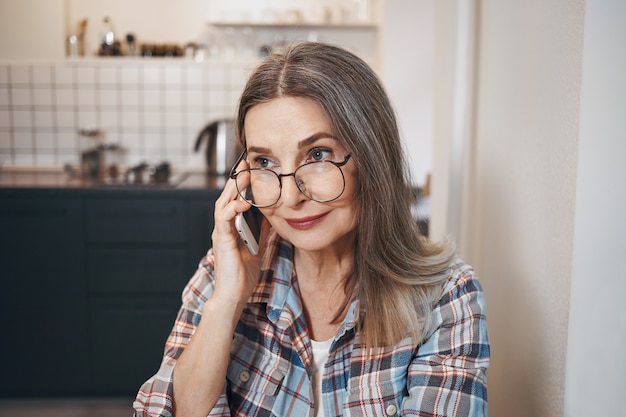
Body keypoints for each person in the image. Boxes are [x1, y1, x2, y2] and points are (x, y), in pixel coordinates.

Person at [133, 41, 490, 417]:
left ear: (372, 157)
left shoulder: (445, 295)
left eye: (318, 155)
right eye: (265, 161)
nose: (289, 197)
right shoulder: (224, 271)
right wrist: (226, 303)